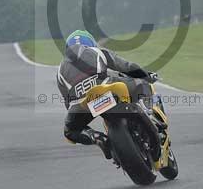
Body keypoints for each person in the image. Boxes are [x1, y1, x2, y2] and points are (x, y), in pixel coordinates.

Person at [56, 30, 158, 159]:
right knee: (143, 84)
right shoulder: (97, 51)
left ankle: (96, 137)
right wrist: (146, 76)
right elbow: (126, 66)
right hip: (107, 87)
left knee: (70, 131)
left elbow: (68, 102)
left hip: (82, 103)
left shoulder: (60, 70)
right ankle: (150, 113)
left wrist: (79, 112)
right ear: (91, 43)